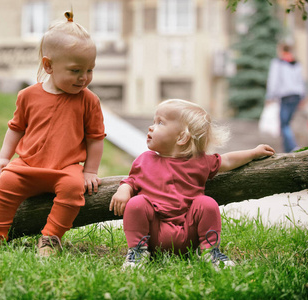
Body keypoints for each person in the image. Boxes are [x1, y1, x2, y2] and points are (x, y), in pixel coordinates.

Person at [0, 11, 105, 256]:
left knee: (73, 189)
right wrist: (4, 158)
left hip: (66, 167)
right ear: (48, 65)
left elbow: (95, 138)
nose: (84, 78)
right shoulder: (28, 96)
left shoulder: (89, 101)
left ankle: (50, 239)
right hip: (28, 165)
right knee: (5, 184)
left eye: (90, 70)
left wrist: (90, 170)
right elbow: (15, 129)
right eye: (76, 70)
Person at [109, 99, 275, 269]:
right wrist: (124, 189)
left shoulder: (200, 161)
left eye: (160, 123)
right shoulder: (144, 160)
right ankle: (137, 252)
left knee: (206, 203)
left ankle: (210, 252)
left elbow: (227, 160)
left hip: (188, 233)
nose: (151, 127)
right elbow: (131, 180)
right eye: (153, 121)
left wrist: (253, 153)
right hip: (154, 232)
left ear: (182, 137)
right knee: (137, 203)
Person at [266, 43, 306, 152]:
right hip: (296, 95)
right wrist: (302, 97)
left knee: (284, 124)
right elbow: (301, 81)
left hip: (286, 96)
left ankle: (292, 147)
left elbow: (273, 81)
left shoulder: (278, 63)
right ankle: (288, 149)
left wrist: (269, 96)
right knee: (287, 123)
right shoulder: (296, 63)